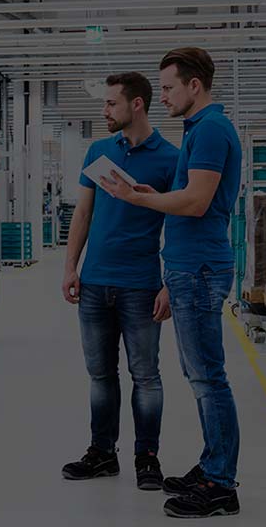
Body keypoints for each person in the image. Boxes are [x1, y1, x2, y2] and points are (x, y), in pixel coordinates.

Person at [96, 47, 244, 519]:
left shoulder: (212, 130)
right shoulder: (200, 129)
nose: (161, 97)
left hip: (198, 269)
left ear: (193, 85)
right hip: (189, 266)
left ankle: (221, 484)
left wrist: (139, 202)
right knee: (199, 375)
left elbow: (198, 203)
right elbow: (188, 195)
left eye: (167, 88)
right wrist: (151, 194)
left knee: (208, 379)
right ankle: (211, 465)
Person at [60, 72, 179, 490]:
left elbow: (180, 225)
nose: (105, 111)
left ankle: (147, 456)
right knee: (100, 375)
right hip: (94, 283)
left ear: (137, 105)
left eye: (111, 103)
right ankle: (101, 453)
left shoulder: (170, 158)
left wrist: (168, 284)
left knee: (145, 375)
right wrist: (71, 266)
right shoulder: (98, 151)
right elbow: (83, 214)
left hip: (141, 284)